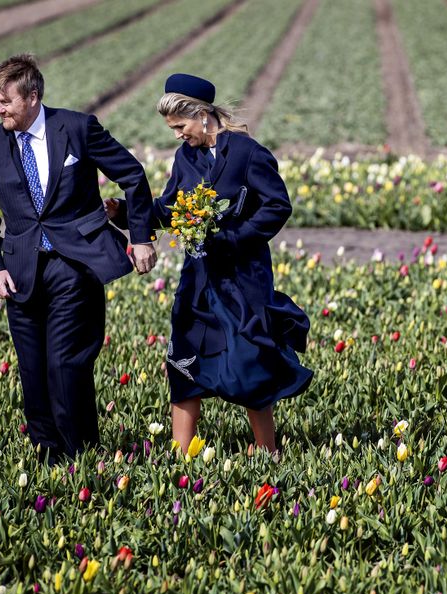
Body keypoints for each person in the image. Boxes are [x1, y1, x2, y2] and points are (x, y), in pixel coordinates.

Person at [106, 73, 312, 455]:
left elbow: (277, 206)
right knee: (184, 355)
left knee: (249, 355)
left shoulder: (248, 153)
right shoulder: (187, 157)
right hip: (198, 277)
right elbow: (170, 209)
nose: (177, 135)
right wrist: (125, 213)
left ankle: (267, 450)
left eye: (180, 126)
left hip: (242, 278)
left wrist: (234, 237)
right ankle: (181, 455)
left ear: (202, 115)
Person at [0, 54, 157, 464]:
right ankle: (47, 461)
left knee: (64, 365)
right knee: (33, 372)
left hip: (74, 265)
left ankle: (82, 459)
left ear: (33, 97)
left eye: (6, 102)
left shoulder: (76, 128)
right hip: (20, 272)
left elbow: (133, 174)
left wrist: (140, 236)